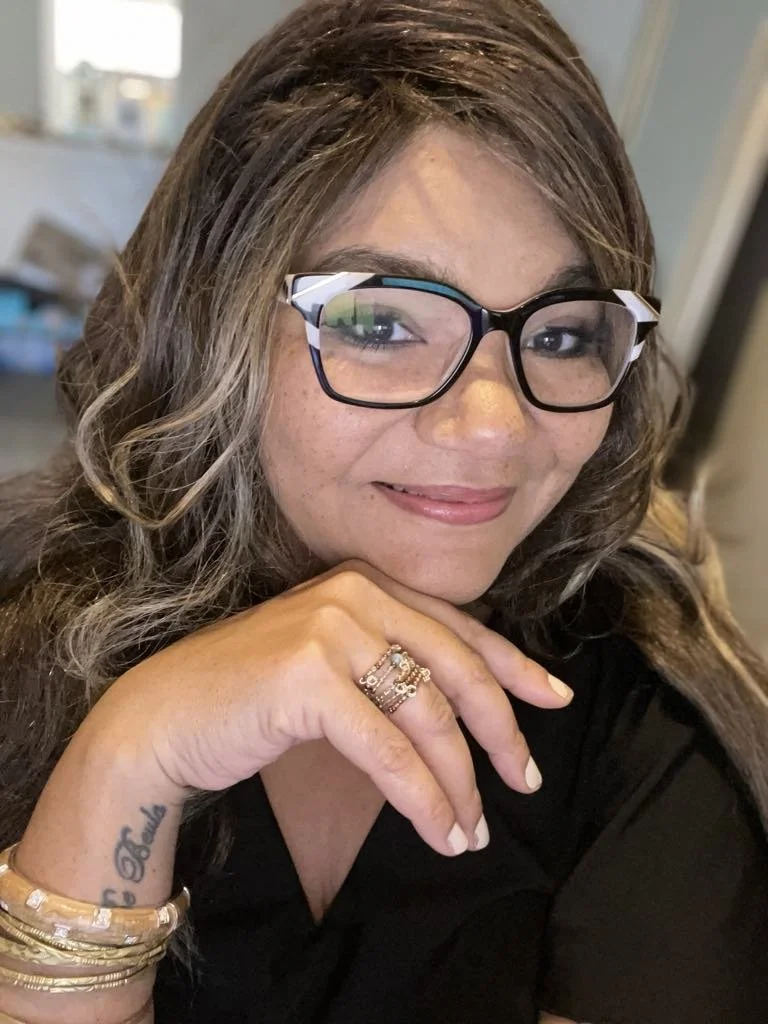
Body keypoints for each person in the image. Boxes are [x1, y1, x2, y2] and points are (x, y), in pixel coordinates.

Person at [0, 0, 766, 1022]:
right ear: (213, 318)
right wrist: (130, 753)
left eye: (563, 334)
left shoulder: (638, 706)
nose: (496, 424)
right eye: (376, 319)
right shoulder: (17, 634)